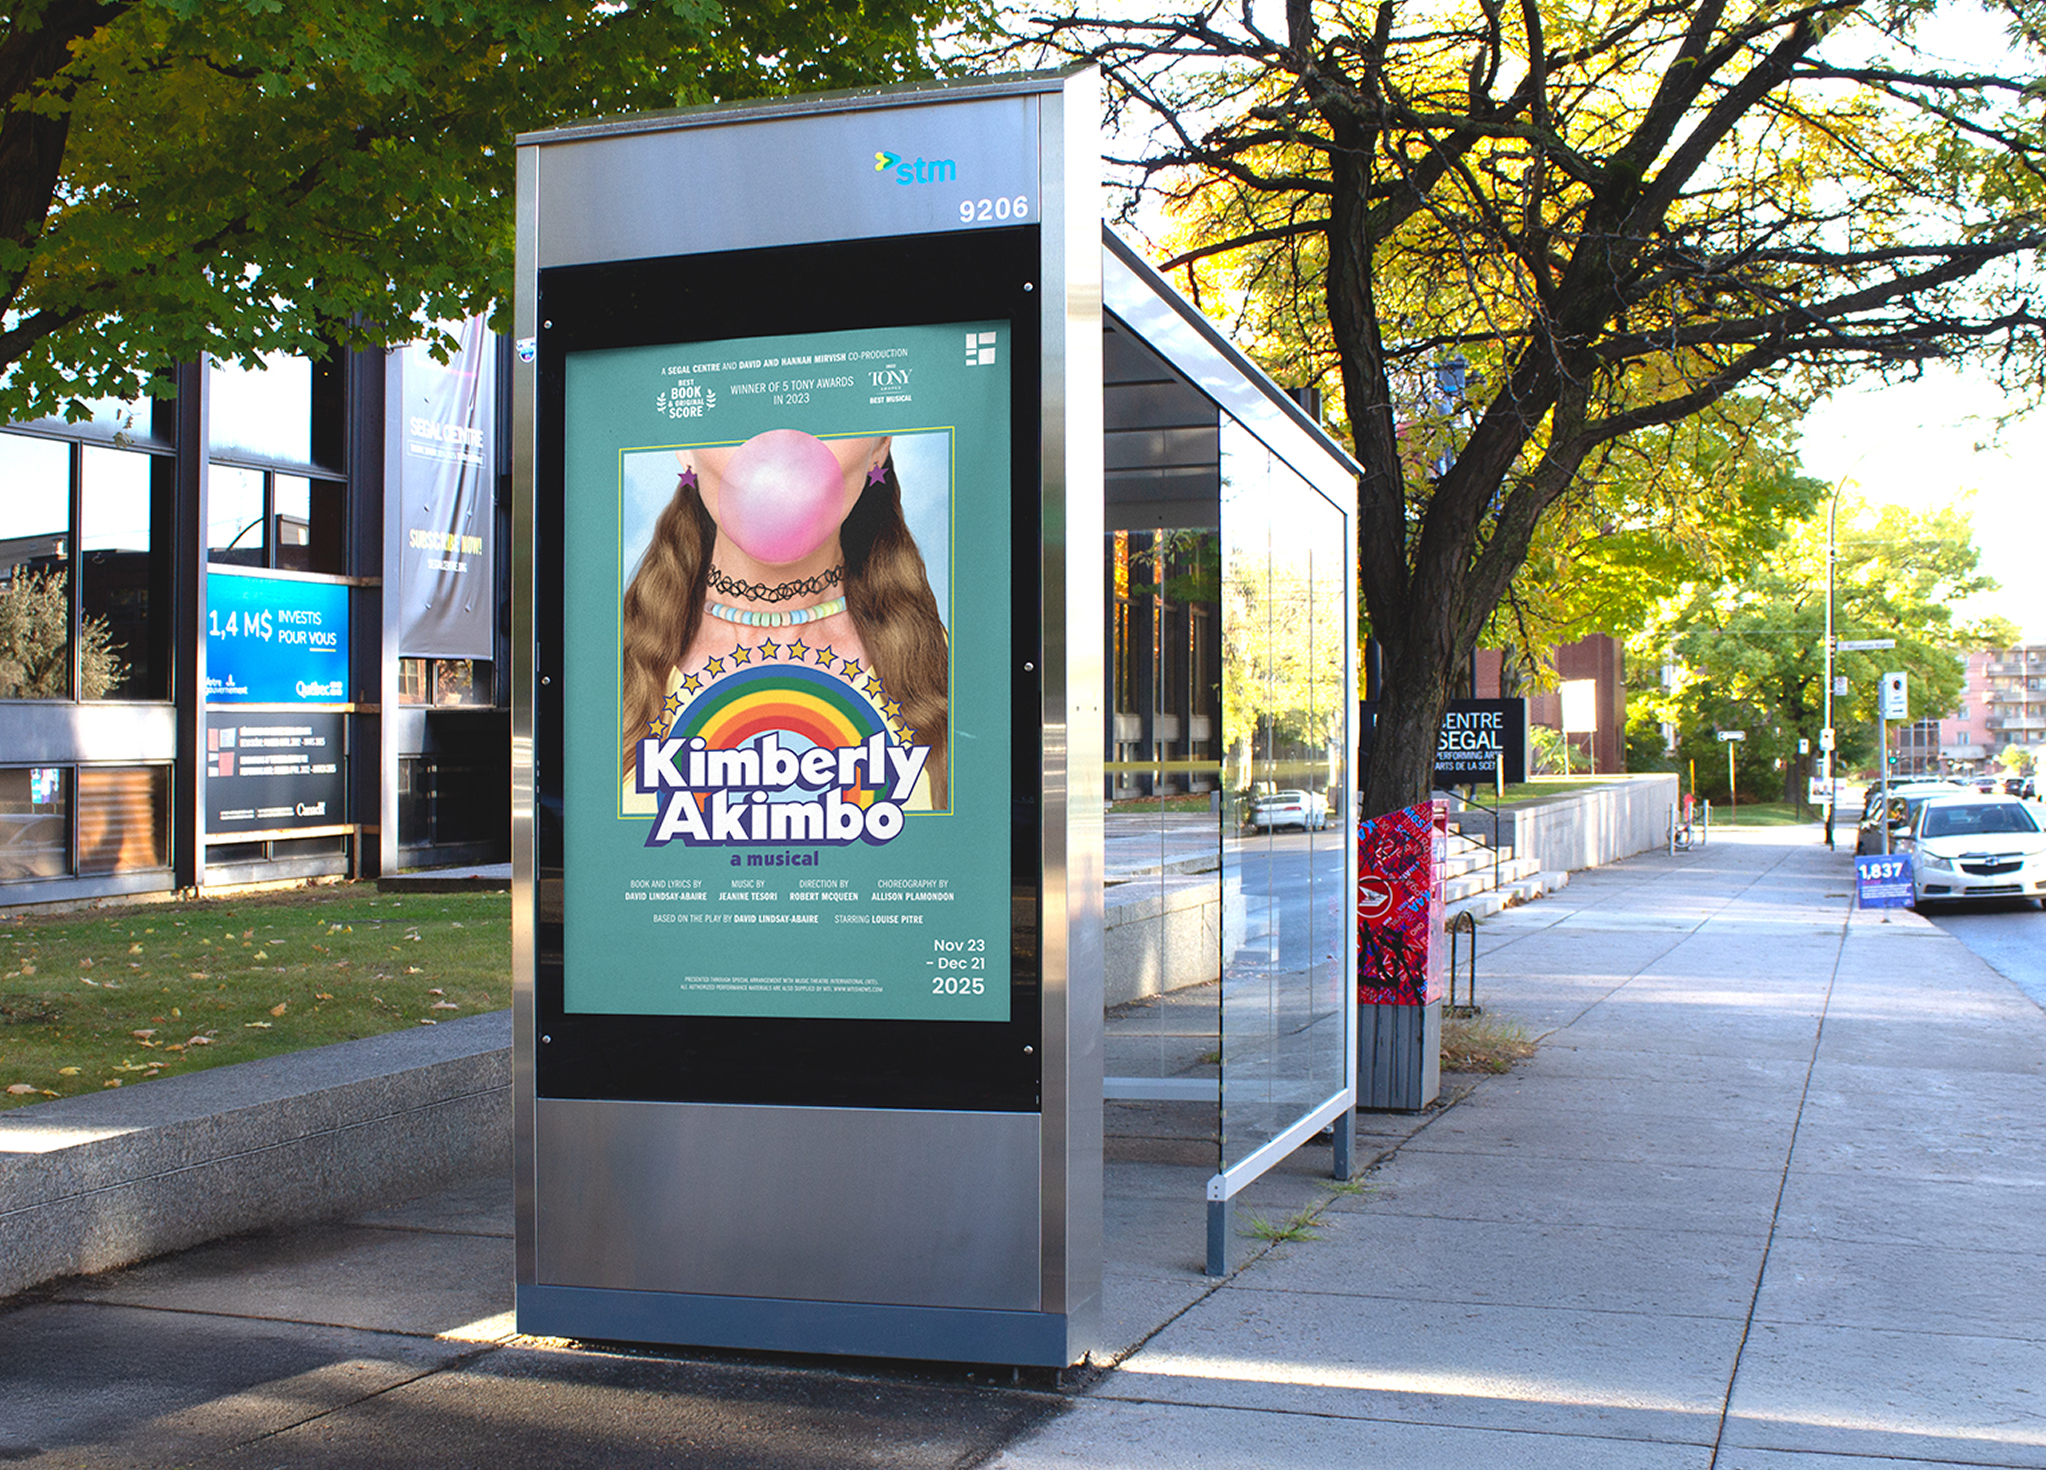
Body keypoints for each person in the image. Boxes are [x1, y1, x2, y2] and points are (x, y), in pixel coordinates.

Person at [621, 429, 950, 808]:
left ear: (879, 446)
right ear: (685, 447)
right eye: (740, 415)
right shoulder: (599, 674)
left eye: (826, 413)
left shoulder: (955, 672)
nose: (781, 445)